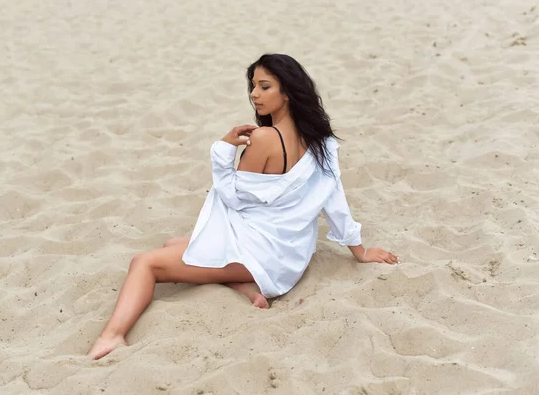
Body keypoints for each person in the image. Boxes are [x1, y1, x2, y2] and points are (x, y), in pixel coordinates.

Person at [87, 53, 399, 360]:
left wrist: (222, 149)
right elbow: (335, 201)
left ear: (287, 92)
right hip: (291, 258)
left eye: (265, 87)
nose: (254, 94)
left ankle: (112, 336)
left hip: (261, 255)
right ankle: (246, 286)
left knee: (144, 263)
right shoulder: (321, 142)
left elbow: (233, 198)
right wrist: (360, 251)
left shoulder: (264, 138)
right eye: (253, 86)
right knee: (173, 244)